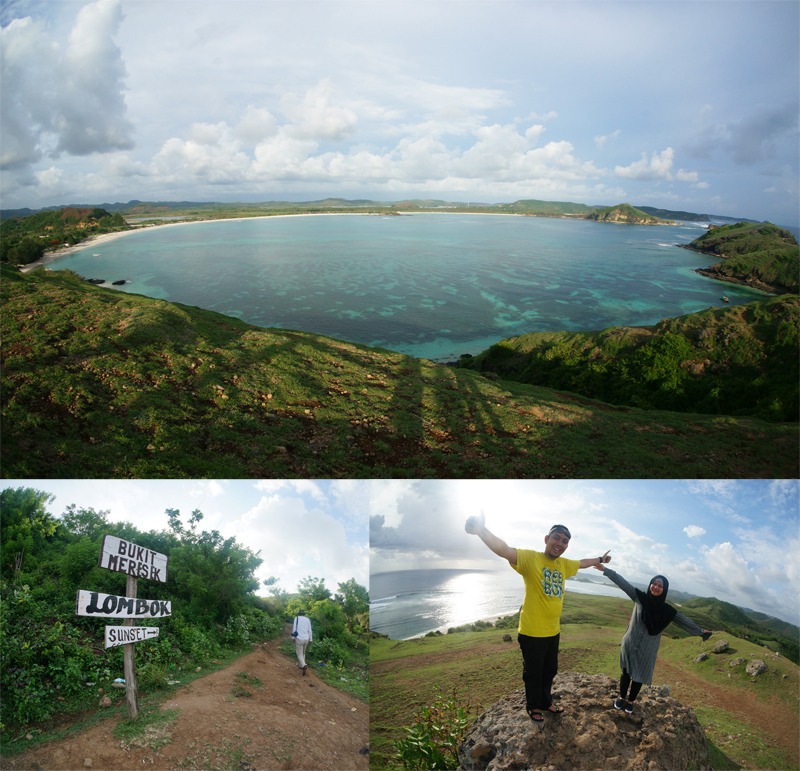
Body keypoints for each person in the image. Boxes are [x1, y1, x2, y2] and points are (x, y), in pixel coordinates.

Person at [465, 512, 612, 723]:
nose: (560, 543)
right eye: (556, 538)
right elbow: (504, 550)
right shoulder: (530, 559)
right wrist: (481, 531)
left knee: (550, 670)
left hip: (553, 631)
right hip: (532, 631)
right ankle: (533, 705)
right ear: (546, 539)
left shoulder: (563, 565)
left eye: (564, 541)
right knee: (533, 672)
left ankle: (545, 701)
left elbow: (581, 563)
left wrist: (600, 559)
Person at [594, 564, 712, 714]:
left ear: (664, 590)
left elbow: (684, 621)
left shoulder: (667, 611)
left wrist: (701, 632)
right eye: (654, 583)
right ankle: (622, 697)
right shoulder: (639, 597)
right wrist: (605, 570)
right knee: (626, 672)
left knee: (638, 676)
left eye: (660, 585)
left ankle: (631, 701)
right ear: (650, 584)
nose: (656, 587)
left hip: (647, 648)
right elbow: (623, 583)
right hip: (630, 643)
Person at [291, 609, 313, 675]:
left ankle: (304, 665)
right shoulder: (307, 620)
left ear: (299, 614)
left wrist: (293, 637)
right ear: (304, 614)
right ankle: (301, 665)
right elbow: (310, 630)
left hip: (299, 638)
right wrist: (311, 639)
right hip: (306, 638)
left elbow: (294, 628)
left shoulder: (296, 618)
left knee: (299, 653)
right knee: (303, 652)